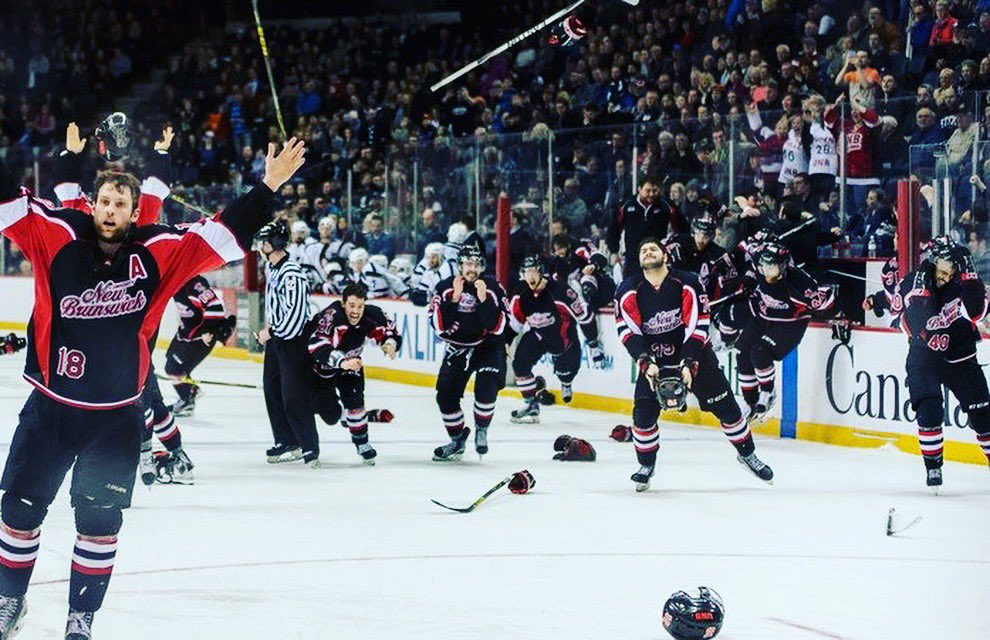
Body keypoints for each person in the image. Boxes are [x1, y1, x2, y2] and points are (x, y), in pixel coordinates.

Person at [0, 137, 305, 635]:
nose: (111, 210)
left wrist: (268, 184)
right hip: (52, 408)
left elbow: (223, 235)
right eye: (104, 201)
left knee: (99, 525)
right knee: (17, 510)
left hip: (115, 417)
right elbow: (8, 206)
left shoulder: (160, 251)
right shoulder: (55, 234)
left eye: (121, 203)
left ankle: (81, 619)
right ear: (91, 204)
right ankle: (9, 601)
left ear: (134, 210)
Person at [613, 237, 774, 492]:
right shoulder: (627, 290)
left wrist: (689, 363)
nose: (647, 252)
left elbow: (697, 326)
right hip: (655, 361)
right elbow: (627, 332)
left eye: (653, 248)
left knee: (728, 409)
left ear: (665, 255)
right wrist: (645, 362)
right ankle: (646, 466)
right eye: (643, 250)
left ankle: (747, 454)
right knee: (642, 416)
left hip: (694, 355)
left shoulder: (688, 282)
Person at [896, 237, 990, 492]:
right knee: (929, 410)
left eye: (952, 268)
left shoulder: (965, 283)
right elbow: (909, 320)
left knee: (984, 418)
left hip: (961, 356)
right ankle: (933, 467)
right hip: (923, 358)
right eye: (942, 266)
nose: (946, 274)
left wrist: (969, 276)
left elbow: (976, 312)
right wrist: (926, 335)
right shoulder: (916, 281)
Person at [736, 243, 834, 424]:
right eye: (763, 265)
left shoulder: (798, 281)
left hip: (790, 325)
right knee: (742, 352)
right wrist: (748, 280)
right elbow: (747, 253)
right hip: (764, 318)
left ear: (782, 266)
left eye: (770, 266)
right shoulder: (760, 261)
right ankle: (749, 402)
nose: (765, 270)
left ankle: (767, 392)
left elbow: (825, 303)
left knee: (759, 352)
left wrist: (825, 308)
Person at [307, 283, 401, 465]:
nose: (356, 311)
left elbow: (390, 330)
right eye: (351, 305)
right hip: (324, 368)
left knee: (355, 401)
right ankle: (343, 416)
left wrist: (390, 343)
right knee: (329, 416)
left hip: (352, 364)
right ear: (343, 304)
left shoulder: (372, 314)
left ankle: (362, 443)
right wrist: (342, 362)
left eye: (360, 306)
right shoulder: (331, 316)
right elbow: (316, 345)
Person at [430, 245, 508, 461]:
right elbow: (438, 326)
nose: (472, 269)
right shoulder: (444, 288)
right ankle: (457, 440)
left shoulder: (492, 287)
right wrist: (454, 300)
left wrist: (483, 301)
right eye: (468, 264)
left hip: (487, 346)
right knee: (445, 396)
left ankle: (482, 430)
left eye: (476, 265)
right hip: (457, 349)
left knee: (487, 384)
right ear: (460, 266)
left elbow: (498, 326)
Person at [255, 218, 321, 468]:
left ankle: (309, 445)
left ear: (275, 242)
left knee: (293, 396)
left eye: (264, 241)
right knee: (271, 389)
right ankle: (286, 439)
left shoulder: (292, 272)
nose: (260, 245)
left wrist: (272, 333)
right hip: (277, 339)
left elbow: (294, 316)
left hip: (292, 342)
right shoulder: (271, 267)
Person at [507, 255, 598, 423]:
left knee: (566, 371)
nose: (530, 276)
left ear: (542, 272)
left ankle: (566, 381)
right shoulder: (520, 294)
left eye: (534, 272)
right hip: (537, 334)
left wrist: (593, 342)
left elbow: (584, 317)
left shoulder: (561, 291)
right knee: (519, 365)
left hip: (562, 337)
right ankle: (531, 404)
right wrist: (504, 342)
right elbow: (514, 323)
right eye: (527, 272)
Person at [164, 275, 237, 417]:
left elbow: (215, 306)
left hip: (200, 338)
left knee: (173, 368)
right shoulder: (178, 281)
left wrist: (208, 331)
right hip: (185, 335)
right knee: (172, 363)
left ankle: (188, 397)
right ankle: (188, 396)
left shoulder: (195, 283)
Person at [607, 179, 687, 279]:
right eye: (648, 191)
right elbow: (614, 228)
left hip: (657, 257)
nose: (651, 194)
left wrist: (678, 247)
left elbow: (682, 228)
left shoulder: (666, 206)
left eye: (655, 191)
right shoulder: (627, 205)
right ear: (639, 189)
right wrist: (614, 251)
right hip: (633, 257)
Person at [410, 242, 456, 306]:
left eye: (433, 257)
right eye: (428, 257)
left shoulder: (447, 270)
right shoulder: (430, 271)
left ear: (440, 257)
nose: (430, 260)